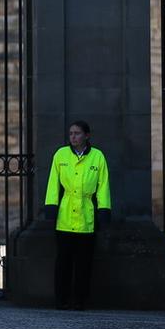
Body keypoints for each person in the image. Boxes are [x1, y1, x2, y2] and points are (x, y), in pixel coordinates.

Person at [41, 120, 111, 311]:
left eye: (77, 133)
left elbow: (103, 186)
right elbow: (53, 184)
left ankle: (80, 300)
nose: (73, 137)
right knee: (63, 262)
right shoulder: (60, 155)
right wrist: (51, 208)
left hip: (86, 217)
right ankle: (61, 299)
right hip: (64, 217)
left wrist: (104, 210)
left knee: (84, 263)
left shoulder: (97, 157)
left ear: (87, 136)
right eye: (71, 133)